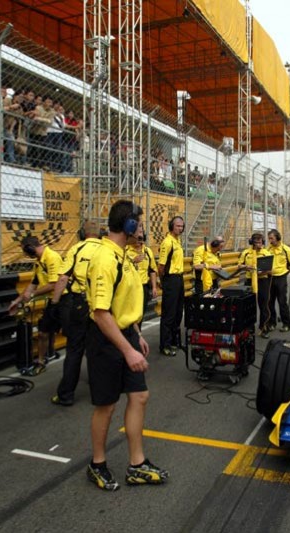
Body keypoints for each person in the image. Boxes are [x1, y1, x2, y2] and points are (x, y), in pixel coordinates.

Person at [85, 200, 169, 491]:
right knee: (106, 406)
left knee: (139, 396)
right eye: (140, 224)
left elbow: (123, 303)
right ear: (129, 226)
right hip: (107, 340)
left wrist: (137, 335)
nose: (143, 230)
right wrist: (127, 349)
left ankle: (137, 464)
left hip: (127, 336)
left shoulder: (125, 256)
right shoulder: (105, 259)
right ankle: (97, 464)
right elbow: (100, 313)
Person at [49, 220, 103, 406]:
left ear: (82, 233)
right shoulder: (105, 249)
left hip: (80, 303)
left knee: (74, 349)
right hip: (101, 304)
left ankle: (66, 394)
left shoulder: (77, 249)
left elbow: (63, 277)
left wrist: (54, 303)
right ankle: (100, 390)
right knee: (96, 348)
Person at [7, 236, 63, 376]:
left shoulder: (52, 257)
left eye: (25, 251)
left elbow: (54, 284)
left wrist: (32, 295)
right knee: (43, 332)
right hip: (52, 302)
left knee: (74, 335)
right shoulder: (39, 262)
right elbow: (33, 285)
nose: (26, 255)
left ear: (30, 248)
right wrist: (17, 301)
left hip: (65, 300)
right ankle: (41, 362)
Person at [158, 216, 185, 356]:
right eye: (177, 226)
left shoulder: (177, 241)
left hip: (179, 278)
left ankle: (175, 341)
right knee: (169, 314)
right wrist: (164, 281)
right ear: (171, 226)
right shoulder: (167, 242)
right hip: (171, 279)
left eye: (181, 226)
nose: (180, 228)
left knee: (178, 312)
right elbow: (161, 266)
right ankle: (165, 345)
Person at [237, 232, 273, 337]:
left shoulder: (266, 253)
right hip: (249, 280)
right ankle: (249, 328)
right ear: (252, 242)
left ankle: (264, 327)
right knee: (249, 305)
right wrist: (246, 267)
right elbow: (239, 265)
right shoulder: (246, 253)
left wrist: (263, 271)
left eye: (260, 242)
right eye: (256, 242)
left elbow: (271, 271)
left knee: (264, 305)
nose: (259, 244)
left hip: (263, 281)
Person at [265, 229, 290, 333]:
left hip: (281, 278)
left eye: (272, 238)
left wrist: (284, 274)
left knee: (282, 302)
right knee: (270, 302)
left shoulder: (286, 249)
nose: (270, 240)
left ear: (278, 238)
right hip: (270, 278)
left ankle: (286, 324)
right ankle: (272, 323)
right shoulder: (268, 249)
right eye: (269, 238)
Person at [127, 232, 159, 326]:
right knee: (130, 315)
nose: (138, 242)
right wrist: (133, 261)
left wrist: (154, 287)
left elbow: (152, 270)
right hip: (130, 287)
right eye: (136, 239)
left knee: (140, 314)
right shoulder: (125, 250)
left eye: (140, 239)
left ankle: (138, 334)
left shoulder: (147, 251)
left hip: (143, 287)